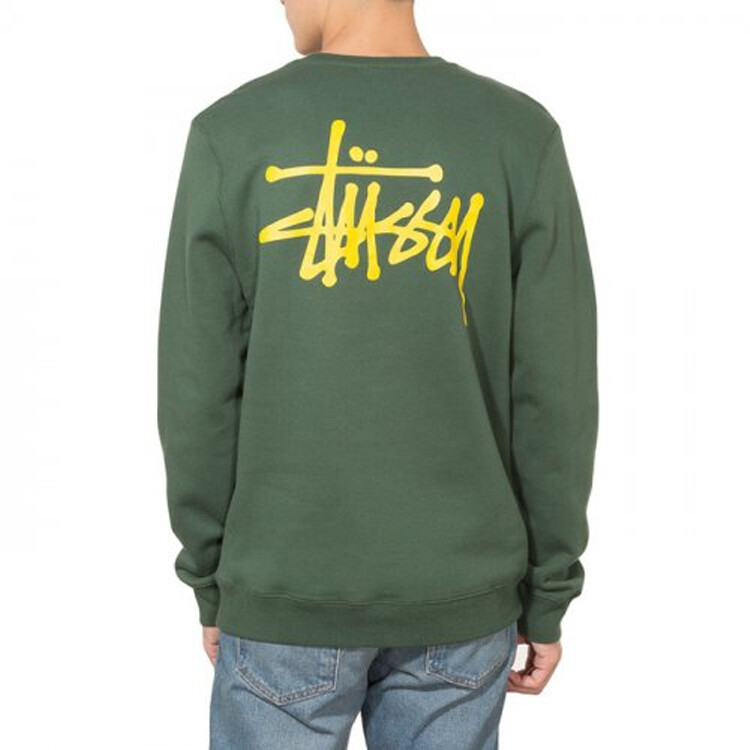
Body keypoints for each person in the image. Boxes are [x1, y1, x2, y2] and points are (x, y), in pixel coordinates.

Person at [157, 0, 599, 746]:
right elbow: (555, 393)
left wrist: (211, 576)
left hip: (284, 594)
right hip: (462, 602)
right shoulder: (517, 135)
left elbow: (196, 393)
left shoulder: (232, 134)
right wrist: (548, 589)